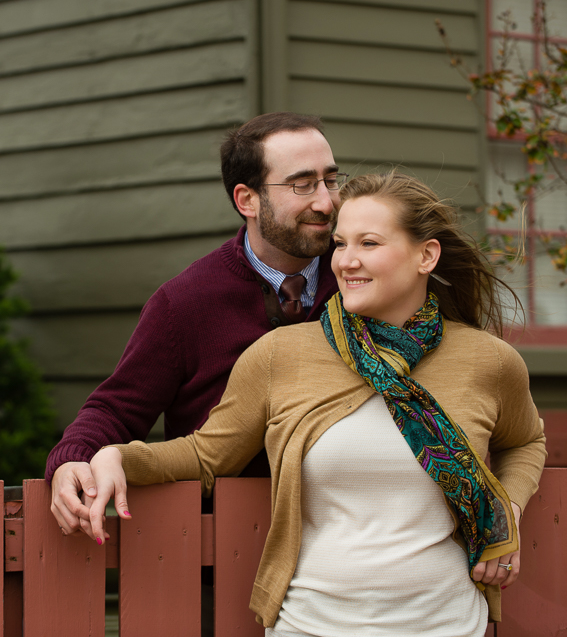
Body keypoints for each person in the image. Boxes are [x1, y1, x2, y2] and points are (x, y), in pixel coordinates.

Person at [87, 171, 548, 635]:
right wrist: (117, 457)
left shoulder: (488, 361)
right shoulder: (280, 355)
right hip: (311, 623)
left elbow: (526, 441)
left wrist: (505, 510)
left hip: (447, 623)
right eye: (341, 244)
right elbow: (207, 455)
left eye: (368, 243)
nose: (346, 261)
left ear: (426, 255)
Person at [46, 112, 346, 536]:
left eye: (331, 180)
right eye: (302, 184)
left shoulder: (364, 278)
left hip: (348, 547)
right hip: (221, 555)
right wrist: (72, 458)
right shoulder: (185, 303)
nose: (325, 201)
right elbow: (115, 407)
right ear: (247, 200)